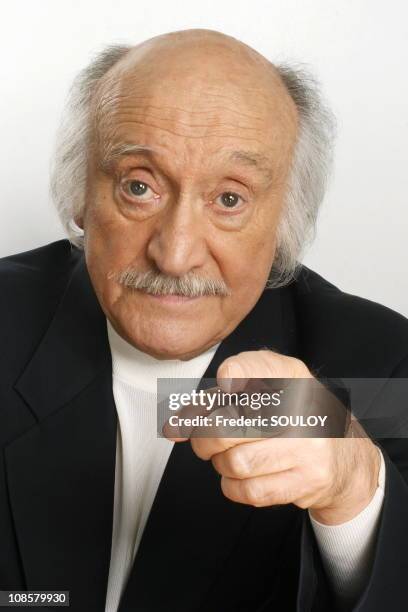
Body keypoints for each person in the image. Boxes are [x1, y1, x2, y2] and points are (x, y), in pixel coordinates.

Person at [1, 28, 408, 612]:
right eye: (139, 187)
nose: (175, 253)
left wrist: (354, 489)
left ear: (284, 226)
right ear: (80, 196)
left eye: (229, 199)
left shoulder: (382, 366)